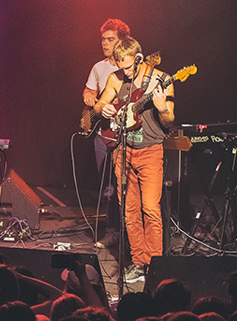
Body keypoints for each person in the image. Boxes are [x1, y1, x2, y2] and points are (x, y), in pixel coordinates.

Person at [92, 36, 174, 284]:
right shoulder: (116, 78)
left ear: (138, 59)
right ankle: (138, 261)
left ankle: (154, 263)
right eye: (121, 66)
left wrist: (162, 109)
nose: (125, 72)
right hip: (122, 149)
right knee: (129, 211)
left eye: (129, 67)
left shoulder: (162, 79)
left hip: (150, 150)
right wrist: (102, 107)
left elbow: (170, 120)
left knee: (150, 208)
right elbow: (99, 105)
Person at [80, 19, 130, 242]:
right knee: (108, 185)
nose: (105, 43)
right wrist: (89, 96)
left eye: (110, 39)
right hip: (103, 134)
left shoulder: (130, 65)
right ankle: (112, 232)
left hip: (128, 133)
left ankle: (131, 232)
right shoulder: (98, 67)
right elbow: (88, 91)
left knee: (127, 185)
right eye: (103, 39)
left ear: (122, 41)